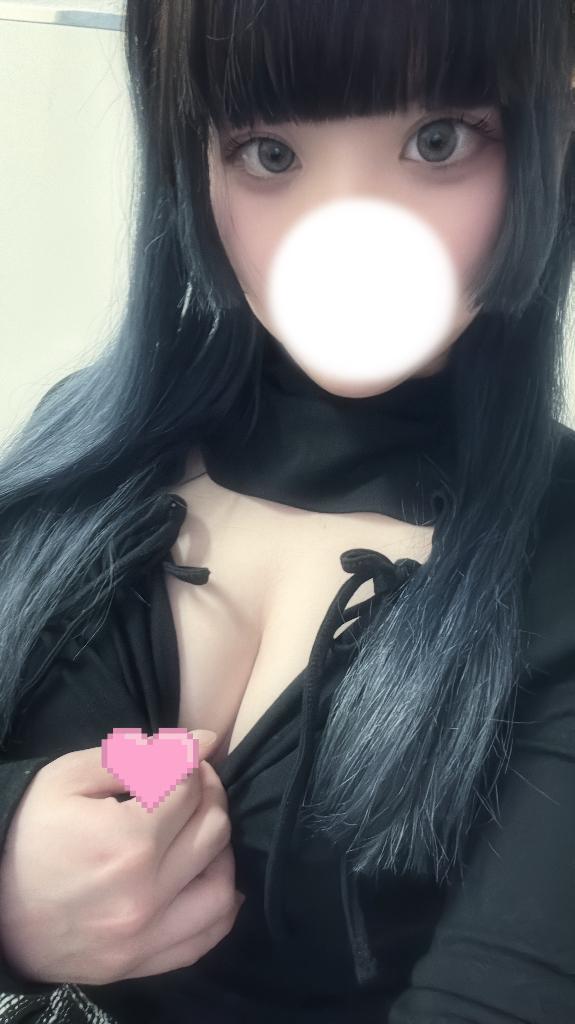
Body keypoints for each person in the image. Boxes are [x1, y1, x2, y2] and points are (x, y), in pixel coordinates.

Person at [0, 1, 574, 1022]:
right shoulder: (79, 443)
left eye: (437, 141)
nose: (346, 236)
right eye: (268, 152)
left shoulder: (556, 549)